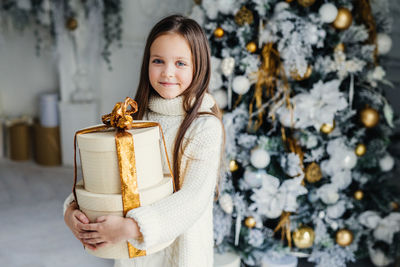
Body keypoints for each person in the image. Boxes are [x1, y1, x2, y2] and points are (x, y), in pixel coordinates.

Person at [63, 14, 225, 267]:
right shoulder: (132, 118)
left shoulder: (204, 126)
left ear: (199, 67)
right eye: (158, 61)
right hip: (134, 256)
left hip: (182, 253)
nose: (167, 72)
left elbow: (194, 198)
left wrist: (130, 227)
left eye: (181, 63)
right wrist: (72, 210)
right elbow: (104, 177)